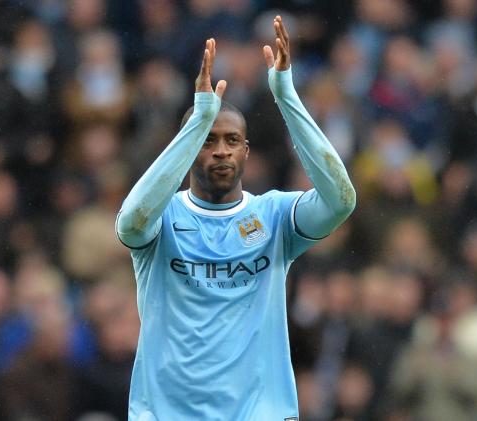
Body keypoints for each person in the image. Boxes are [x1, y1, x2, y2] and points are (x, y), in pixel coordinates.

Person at [115, 15, 356, 420]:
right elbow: (130, 222)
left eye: (232, 140)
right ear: (190, 147)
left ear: (246, 150)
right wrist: (197, 122)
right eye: (208, 140)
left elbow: (340, 200)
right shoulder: (162, 217)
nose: (222, 150)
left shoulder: (274, 216)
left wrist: (286, 96)